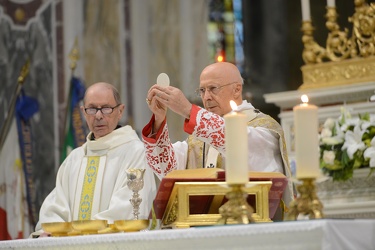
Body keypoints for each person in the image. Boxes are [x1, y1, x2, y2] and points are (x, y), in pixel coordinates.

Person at [142, 62, 294, 219]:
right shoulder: (199, 136)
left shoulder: (263, 129)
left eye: (213, 89)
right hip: (202, 226)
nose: (206, 97)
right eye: (202, 90)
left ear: (237, 89)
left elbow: (234, 139)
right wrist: (158, 121)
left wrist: (188, 109)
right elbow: (166, 169)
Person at [33, 82, 156, 236]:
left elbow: (127, 209)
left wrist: (79, 234)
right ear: (83, 112)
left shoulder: (136, 152)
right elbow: (56, 207)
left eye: (106, 108)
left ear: (120, 111)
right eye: (91, 109)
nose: (98, 116)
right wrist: (51, 231)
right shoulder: (75, 158)